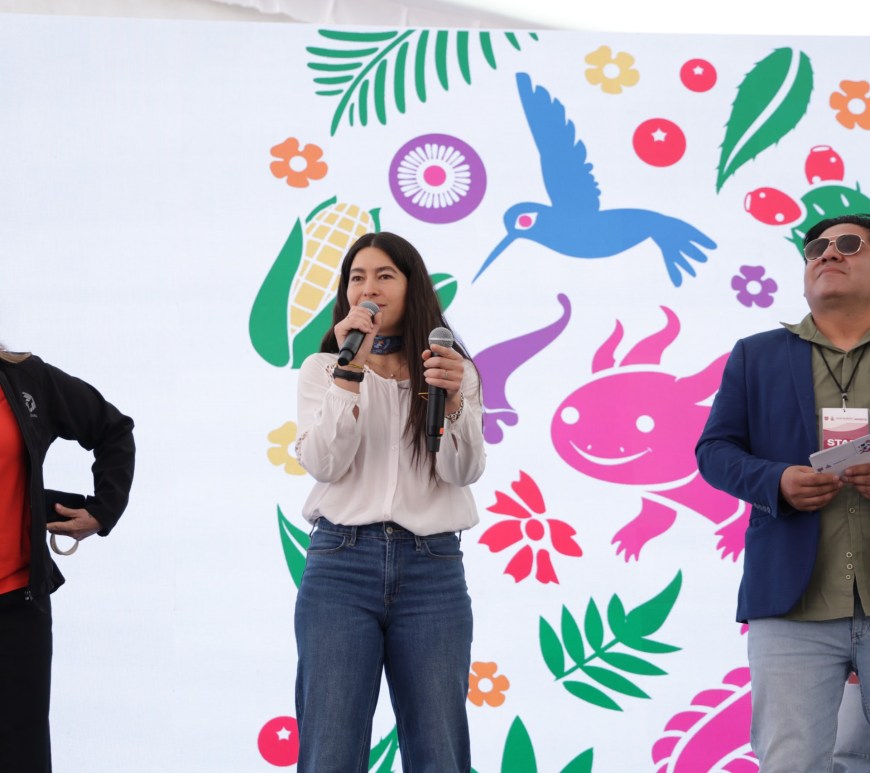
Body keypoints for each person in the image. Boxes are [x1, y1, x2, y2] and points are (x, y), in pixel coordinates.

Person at [292, 232, 485, 772]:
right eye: (357, 278)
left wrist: (452, 401)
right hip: (341, 567)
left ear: (411, 285)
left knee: (439, 752)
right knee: (330, 751)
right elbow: (324, 464)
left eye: (384, 276)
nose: (368, 289)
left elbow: (463, 471)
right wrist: (348, 374)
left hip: (432, 570)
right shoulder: (322, 370)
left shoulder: (453, 371)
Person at [696, 213, 870, 771]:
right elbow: (714, 451)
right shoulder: (757, 354)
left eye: (849, 244)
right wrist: (776, 481)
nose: (828, 254)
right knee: (790, 763)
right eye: (816, 249)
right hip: (792, 607)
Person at [0, 346, 135, 773]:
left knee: (21, 758)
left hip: (17, 608)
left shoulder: (25, 377)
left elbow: (113, 429)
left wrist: (103, 510)